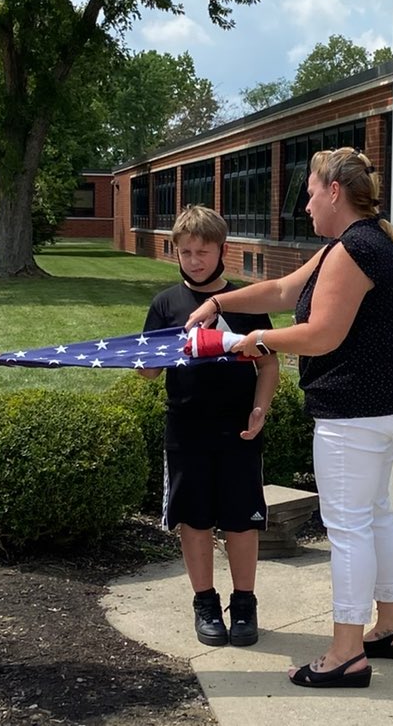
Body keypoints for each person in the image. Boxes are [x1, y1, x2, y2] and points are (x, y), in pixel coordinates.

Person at [185, 148, 393, 689]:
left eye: (311, 192)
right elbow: (281, 290)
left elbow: (322, 334)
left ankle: (346, 651)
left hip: (357, 408)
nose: (306, 204)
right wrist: (220, 304)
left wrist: (250, 339)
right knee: (372, 514)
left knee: (347, 527)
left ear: (334, 191)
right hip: (388, 404)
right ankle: (391, 627)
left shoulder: (353, 250)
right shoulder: (359, 243)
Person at [140, 204, 279, 648]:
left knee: (242, 522)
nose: (195, 260)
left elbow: (270, 365)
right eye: (185, 252)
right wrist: (147, 355)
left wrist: (261, 408)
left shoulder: (247, 301)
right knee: (194, 521)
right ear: (175, 252)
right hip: (186, 430)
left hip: (239, 430)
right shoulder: (165, 304)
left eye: (203, 251)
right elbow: (148, 371)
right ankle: (205, 604)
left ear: (223, 249)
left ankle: (244, 605)